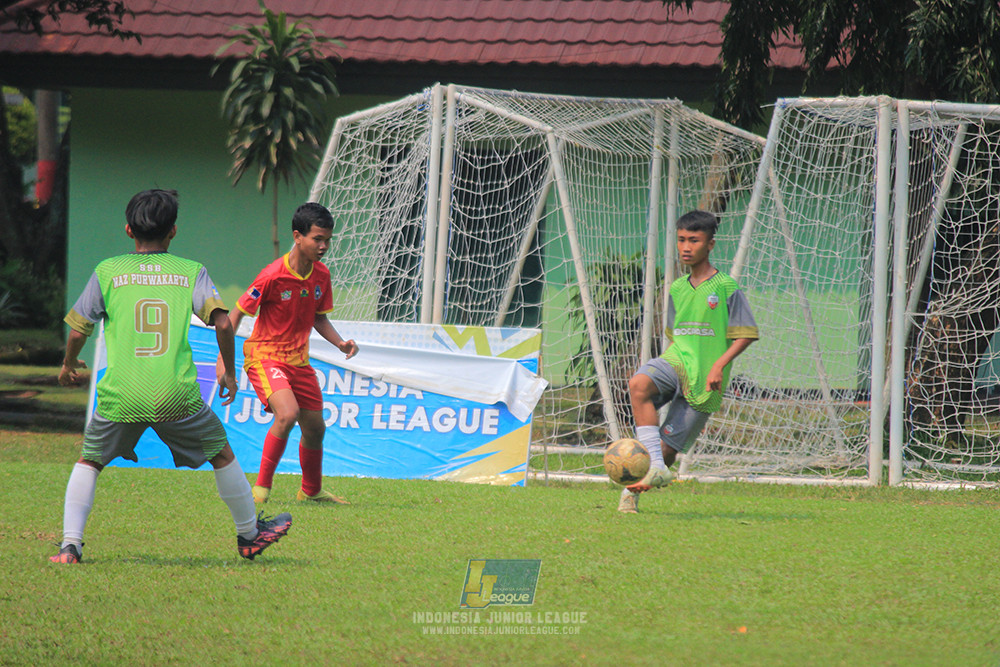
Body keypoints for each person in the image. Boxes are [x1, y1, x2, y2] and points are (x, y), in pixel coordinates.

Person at [51, 189, 291, 564]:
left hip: (121, 394)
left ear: (128, 230)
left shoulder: (108, 271)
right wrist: (227, 370)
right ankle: (249, 535)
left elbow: (80, 328)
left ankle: (70, 546)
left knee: (90, 461)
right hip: (175, 395)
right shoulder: (190, 271)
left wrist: (69, 364)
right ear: (173, 232)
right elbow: (224, 323)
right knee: (222, 454)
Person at [619, 209, 758, 513]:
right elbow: (675, 335)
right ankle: (652, 466)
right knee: (639, 384)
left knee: (667, 453)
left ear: (710, 245)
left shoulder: (725, 288)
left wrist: (719, 365)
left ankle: (636, 489)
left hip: (705, 379)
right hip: (676, 360)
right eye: (681, 240)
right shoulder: (678, 288)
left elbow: (746, 335)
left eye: (693, 240)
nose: (685, 247)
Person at [222, 202, 359, 505]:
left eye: (328, 240)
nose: (323, 246)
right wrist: (223, 360)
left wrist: (340, 343)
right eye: (317, 239)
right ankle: (260, 489)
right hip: (265, 355)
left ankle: (311, 491)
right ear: (298, 236)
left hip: (299, 361)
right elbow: (234, 316)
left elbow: (318, 317)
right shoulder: (271, 275)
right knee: (287, 414)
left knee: (315, 428)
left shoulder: (321, 275)